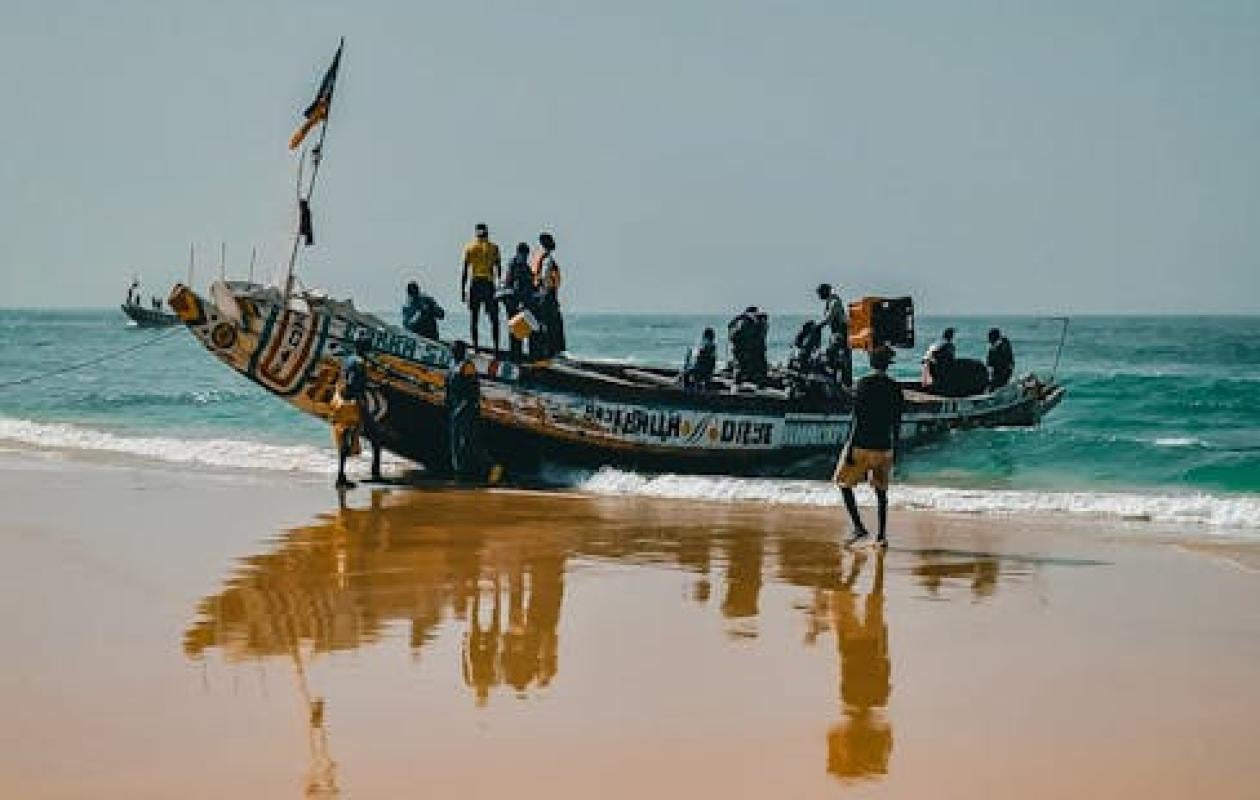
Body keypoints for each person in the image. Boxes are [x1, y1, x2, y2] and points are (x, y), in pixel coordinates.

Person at [834, 346, 904, 547]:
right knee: (881, 492)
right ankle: (881, 536)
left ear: (871, 363)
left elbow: (856, 418)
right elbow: (897, 422)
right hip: (884, 446)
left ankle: (859, 527)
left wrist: (848, 447)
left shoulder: (863, 384)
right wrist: (896, 448)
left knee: (844, 484)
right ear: (888, 365)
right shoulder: (894, 387)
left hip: (861, 444)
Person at [334, 331, 383, 488]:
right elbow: (352, 383)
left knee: (346, 438)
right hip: (355, 404)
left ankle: (341, 476)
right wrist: (360, 399)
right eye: (368, 343)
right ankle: (375, 474)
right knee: (376, 437)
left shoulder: (348, 359)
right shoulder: (360, 363)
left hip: (341, 403)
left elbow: (345, 379)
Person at [461, 223, 502, 352]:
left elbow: (465, 271)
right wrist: (499, 286)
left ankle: (476, 347)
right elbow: (499, 268)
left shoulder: (470, 247)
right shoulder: (494, 248)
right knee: (494, 318)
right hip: (488, 284)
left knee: (474, 317)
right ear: (487, 233)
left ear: (476, 233)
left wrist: (462, 290)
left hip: (476, 283)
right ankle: (496, 348)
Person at [445, 340, 481, 479]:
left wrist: (461, 408)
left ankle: (467, 470)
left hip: (467, 408)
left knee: (465, 440)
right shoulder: (452, 363)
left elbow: (474, 391)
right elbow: (448, 383)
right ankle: (457, 468)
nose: (452, 351)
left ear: (461, 351)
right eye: (452, 349)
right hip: (454, 406)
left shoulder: (467, 366)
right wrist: (447, 400)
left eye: (455, 349)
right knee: (454, 439)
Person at [529, 232, 565, 358]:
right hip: (546, 295)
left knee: (544, 323)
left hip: (541, 294)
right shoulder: (548, 260)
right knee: (552, 324)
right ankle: (551, 351)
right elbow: (545, 280)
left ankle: (545, 350)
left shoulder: (538, 257)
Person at [502, 242, 535, 362]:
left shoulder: (525, 266)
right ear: (519, 253)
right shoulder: (514, 265)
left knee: (519, 330)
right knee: (515, 330)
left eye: (526, 256)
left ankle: (517, 355)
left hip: (519, 302)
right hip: (513, 302)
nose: (525, 258)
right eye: (524, 255)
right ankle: (515, 356)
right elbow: (514, 284)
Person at [818, 283, 853, 386]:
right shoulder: (830, 302)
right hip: (836, 332)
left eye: (820, 293)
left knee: (835, 357)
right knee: (838, 358)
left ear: (825, 292)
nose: (819, 295)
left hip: (841, 332)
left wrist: (818, 325)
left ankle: (844, 382)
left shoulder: (834, 302)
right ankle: (840, 381)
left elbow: (829, 318)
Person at [727, 306, 769, 386]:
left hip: (749, 351)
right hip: (749, 350)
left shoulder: (749, 322)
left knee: (744, 370)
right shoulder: (750, 322)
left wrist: (739, 318)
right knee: (748, 370)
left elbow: (733, 334)